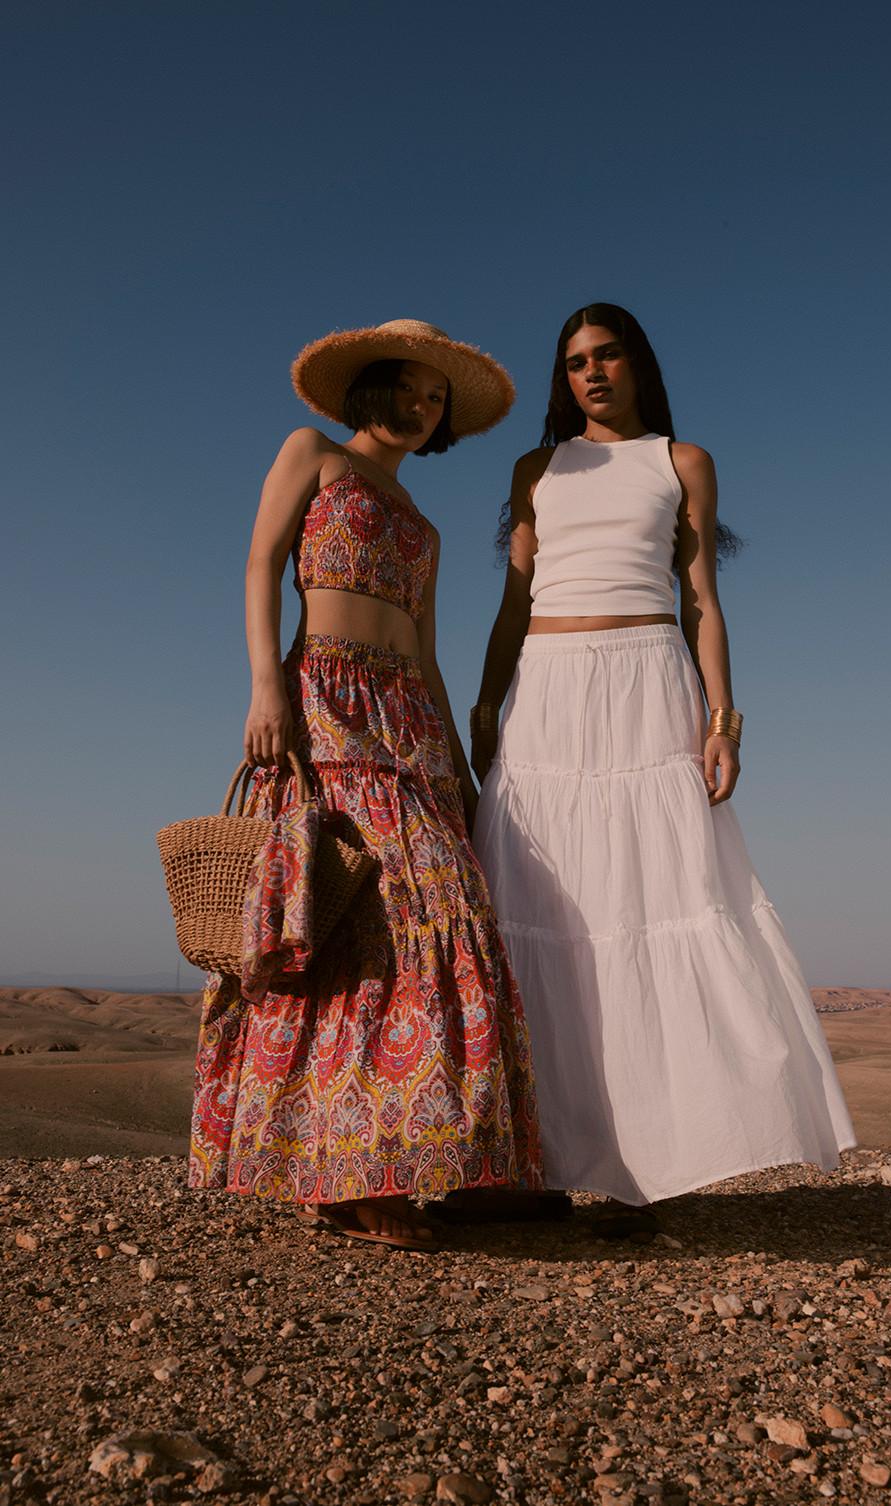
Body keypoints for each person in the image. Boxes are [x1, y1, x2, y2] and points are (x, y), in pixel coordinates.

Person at [468, 303, 855, 1236]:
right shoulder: (536, 470)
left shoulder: (682, 463)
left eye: (605, 357)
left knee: (646, 914)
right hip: (549, 696)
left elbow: (702, 603)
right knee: (535, 921)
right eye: (573, 364)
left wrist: (722, 722)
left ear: (636, 363)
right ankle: (529, 1167)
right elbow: (515, 603)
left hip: (647, 689)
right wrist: (484, 707)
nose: (590, 374)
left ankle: (652, 1172)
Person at [188, 318, 543, 1250]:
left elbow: (425, 650)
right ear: (373, 388)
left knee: (444, 916)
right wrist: (267, 687)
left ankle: (414, 1157)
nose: (425, 410)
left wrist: (461, 765)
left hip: (409, 729)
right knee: (343, 922)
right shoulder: (310, 453)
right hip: (325, 704)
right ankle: (342, 1174)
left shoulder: (423, 523)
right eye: (413, 391)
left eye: (439, 402)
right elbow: (262, 564)